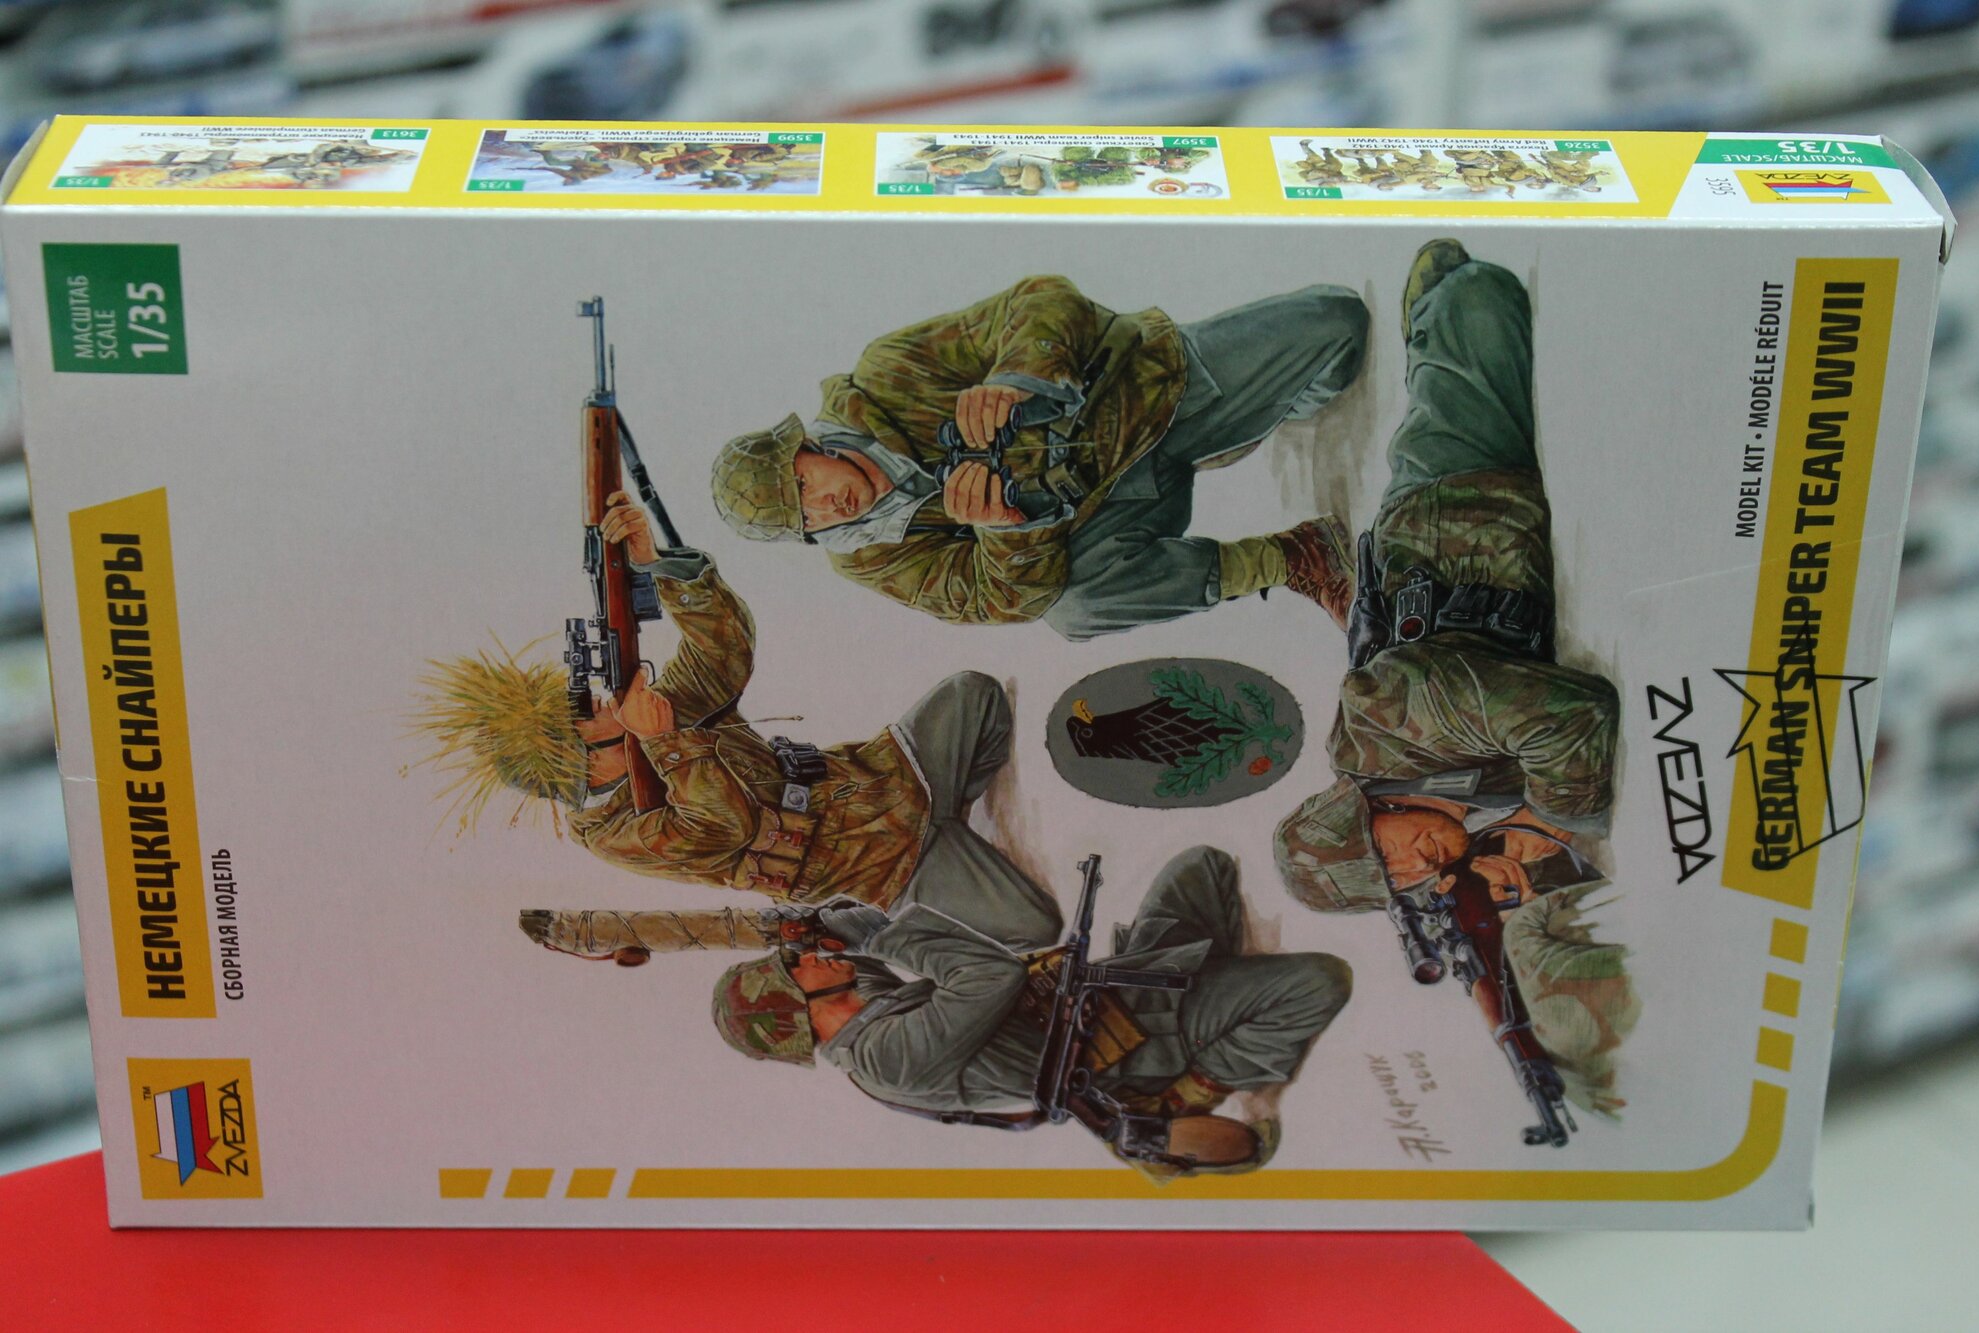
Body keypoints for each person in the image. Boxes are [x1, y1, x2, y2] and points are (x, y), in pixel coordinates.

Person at [1270, 240, 1633, 1114]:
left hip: (1464, 502)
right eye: (1405, 887)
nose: (1423, 868)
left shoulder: (1385, 722)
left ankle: (1429, 317)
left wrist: (1551, 816)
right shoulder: (1444, 808)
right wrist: (1527, 868)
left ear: (1366, 808)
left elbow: (1572, 718)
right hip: (1512, 558)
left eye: (1391, 857)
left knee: (1482, 295)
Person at [414, 492, 1059, 949]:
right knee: (1034, 926)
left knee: (973, 692)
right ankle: (920, 901)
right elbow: (726, 827)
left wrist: (660, 566)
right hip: (882, 865)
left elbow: (723, 653)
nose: (602, 703)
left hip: (884, 777)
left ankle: (959, 822)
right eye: (584, 717)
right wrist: (667, 743)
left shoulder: (646, 718)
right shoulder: (613, 832)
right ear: (581, 761)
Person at [708, 274, 1363, 640]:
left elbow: (1042, 300)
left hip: (1145, 395)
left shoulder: (888, 375)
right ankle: (1296, 556)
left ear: (810, 447)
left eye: (805, 484)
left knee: (1340, 327)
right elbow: (998, 601)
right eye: (808, 519)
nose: (828, 505)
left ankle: (1250, 417)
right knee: (1076, 611)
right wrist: (1005, 531)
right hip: (1111, 513)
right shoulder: (871, 556)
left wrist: (1016, 379)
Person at [699, 845, 1351, 1176]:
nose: (809, 958)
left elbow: (858, 945)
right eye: (797, 968)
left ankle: (1220, 994)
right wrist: (886, 935)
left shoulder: (862, 1011)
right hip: (1127, 1049)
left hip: (1102, 1000)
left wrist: (828, 922)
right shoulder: (886, 1058)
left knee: (1202, 866)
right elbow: (991, 975)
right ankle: (1198, 1082)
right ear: (801, 1008)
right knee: (1316, 981)